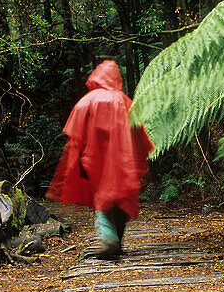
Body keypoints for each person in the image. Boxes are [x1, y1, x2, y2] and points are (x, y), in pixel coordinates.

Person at [46, 60, 153, 259]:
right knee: (120, 202)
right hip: (123, 163)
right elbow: (140, 137)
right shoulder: (126, 102)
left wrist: (78, 163)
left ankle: (110, 242)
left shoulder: (88, 100)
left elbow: (76, 136)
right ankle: (116, 241)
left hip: (97, 163)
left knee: (103, 201)